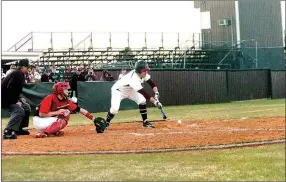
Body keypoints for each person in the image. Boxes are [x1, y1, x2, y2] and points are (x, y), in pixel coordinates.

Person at [33, 82, 107, 138]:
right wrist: (57, 112)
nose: (68, 91)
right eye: (66, 89)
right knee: (64, 116)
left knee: (66, 113)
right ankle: (44, 133)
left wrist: (93, 119)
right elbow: (41, 114)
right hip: (39, 120)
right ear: (60, 90)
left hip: (47, 120)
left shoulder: (66, 101)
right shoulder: (50, 98)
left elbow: (80, 110)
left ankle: (53, 131)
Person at [105, 60, 162, 129]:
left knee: (142, 100)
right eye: (145, 70)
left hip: (130, 89)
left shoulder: (143, 74)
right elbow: (145, 94)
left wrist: (156, 93)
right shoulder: (133, 79)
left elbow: (152, 84)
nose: (146, 72)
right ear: (139, 71)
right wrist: (155, 102)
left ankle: (145, 122)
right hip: (118, 90)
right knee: (114, 109)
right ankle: (106, 123)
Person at [2, 59, 32, 139]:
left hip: (7, 98)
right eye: (27, 67)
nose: (28, 69)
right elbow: (8, 89)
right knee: (19, 110)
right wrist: (15, 101)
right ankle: (8, 131)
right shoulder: (17, 73)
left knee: (26, 107)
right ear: (23, 67)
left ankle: (20, 129)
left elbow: (13, 90)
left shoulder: (19, 73)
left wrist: (19, 99)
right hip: (4, 99)